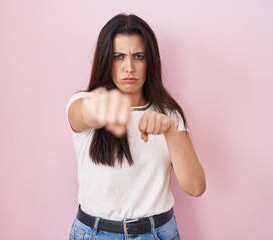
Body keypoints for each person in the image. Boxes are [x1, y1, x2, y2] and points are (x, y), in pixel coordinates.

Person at [67, 13, 206, 240]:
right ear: (106, 61)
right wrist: (102, 108)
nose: (129, 67)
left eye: (138, 56)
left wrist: (170, 130)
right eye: (118, 57)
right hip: (95, 233)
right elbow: (82, 114)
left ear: (150, 61)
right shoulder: (82, 103)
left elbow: (196, 187)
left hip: (157, 233)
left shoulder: (169, 114)